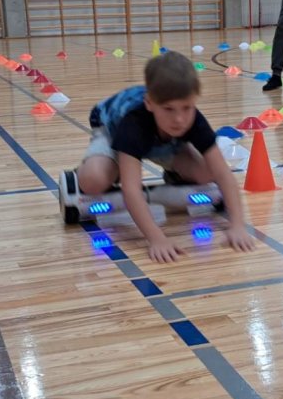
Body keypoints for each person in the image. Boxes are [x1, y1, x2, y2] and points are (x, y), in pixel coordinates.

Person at [77, 51, 255, 263]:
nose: (179, 119)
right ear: (150, 103)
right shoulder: (133, 123)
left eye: (187, 108)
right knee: (93, 181)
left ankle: (175, 175)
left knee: (207, 173)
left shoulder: (192, 120)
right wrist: (157, 239)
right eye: (169, 109)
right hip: (112, 130)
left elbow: (223, 174)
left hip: (165, 141)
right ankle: (109, 168)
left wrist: (237, 225)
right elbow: (131, 190)